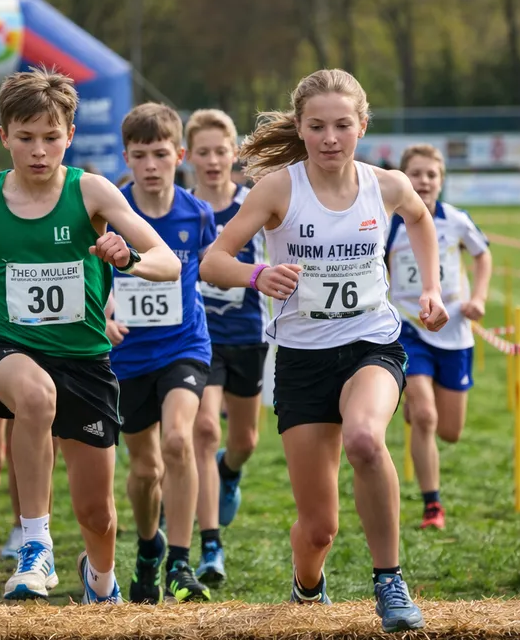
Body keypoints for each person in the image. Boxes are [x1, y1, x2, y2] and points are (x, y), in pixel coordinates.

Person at [200, 69, 448, 633]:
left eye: (342, 125)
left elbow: (419, 218)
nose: (330, 138)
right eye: (317, 126)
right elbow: (214, 261)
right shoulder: (278, 189)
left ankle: (389, 580)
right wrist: (257, 273)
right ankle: (307, 583)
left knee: (364, 438)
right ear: (301, 128)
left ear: (362, 125)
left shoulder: (383, 184)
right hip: (302, 360)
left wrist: (430, 287)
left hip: (371, 342)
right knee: (319, 530)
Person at [0, 68, 180, 604]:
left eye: (50, 138)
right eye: (25, 138)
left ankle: (100, 581)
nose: (38, 151)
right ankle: (35, 545)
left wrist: (128, 257)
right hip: (7, 346)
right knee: (36, 397)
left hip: (84, 357)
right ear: (4, 137)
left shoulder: (91, 191)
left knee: (98, 514)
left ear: (69, 135)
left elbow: (167, 262)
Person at [105, 103, 216, 604]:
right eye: (140, 155)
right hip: (127, 357)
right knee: (146, 468)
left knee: (178, 441)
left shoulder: (197, 213)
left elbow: (208, 271)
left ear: (180, 155)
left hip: (183, 346)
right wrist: (104, 315)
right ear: (127, 158)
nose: (151, 165)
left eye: (160, 154)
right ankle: (149, 547)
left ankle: (181, 561)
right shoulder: (110, 211)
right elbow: (92, 276)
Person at [388, 143, 491, 530]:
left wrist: (477, 297)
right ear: (404, 179)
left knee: (450, 431)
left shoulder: (456, 220)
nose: (424, 181)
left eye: (431, 175)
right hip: (409, 327)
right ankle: (433, 506)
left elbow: (483, 255)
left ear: (441, 180)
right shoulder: (390, 223)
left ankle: (420, 403)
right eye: (416, 174)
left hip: (454, 332)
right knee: (427, 417)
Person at [186, 109, 267, 585]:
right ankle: (210, 547)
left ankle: (229, 473)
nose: (213, 161)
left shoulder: (253, 202)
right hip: (200, 338)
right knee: (203, 431)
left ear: (233, 153)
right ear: (189, 156)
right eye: (204, 152)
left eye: (221, 151)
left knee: (245, 442)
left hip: (247, 336)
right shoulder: (180, 206)